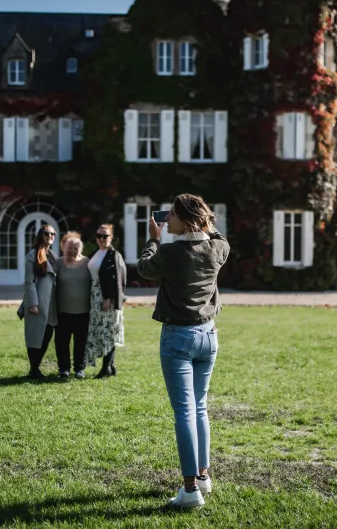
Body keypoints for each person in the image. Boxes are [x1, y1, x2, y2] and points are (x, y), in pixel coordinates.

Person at [137, 194, 230, 509]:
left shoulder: (170, 252)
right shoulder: (217, 249)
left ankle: (190, 490)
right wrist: (205, 223)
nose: (167, 219)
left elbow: (145, 268)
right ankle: (203, 476)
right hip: (208, 336)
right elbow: (219, 238)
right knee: (200, 408)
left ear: (184, 219)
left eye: (172, 214)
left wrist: (154, 238)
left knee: (185, 413)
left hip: (178, 338)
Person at [84, 224, 127, 378]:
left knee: (109, 333)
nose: (102, 239)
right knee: (101, 332)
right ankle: (111, 365)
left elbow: (118, 279)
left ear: (111, 237)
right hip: (94, 297)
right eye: (99, 236)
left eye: (105, 236)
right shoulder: (96, 253)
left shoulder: (113, 255)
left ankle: (105, 369)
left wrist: (109, 298)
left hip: (107, 298)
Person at [23, 224, 59, 379]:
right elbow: (29, 282)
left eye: (52, 234)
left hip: (51, 303)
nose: (49, 236)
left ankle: (35, 368)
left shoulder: (52, 255)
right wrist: (32, 303)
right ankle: (34, 369)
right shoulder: (33, 255)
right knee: (35, 336)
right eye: (46, 233)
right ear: (40, 235)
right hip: (37, 302)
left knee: (47, 334)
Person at [55, 232, 91, 380]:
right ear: (63, 247)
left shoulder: (88, 263)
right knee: (61, 342)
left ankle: (79, 368)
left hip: (83, 311)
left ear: (80, 249)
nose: (72, 251)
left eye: (76, 248)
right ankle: (64, 368)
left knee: (80, 342)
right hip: (62, 311)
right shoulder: (57, 263)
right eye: (69, 247)